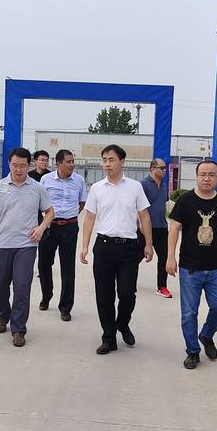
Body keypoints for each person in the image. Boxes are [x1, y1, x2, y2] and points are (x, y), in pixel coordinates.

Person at [0, 148, 53, 348]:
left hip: (26, 245)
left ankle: (19, 328)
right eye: (15, 165)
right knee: (1, 286)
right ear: (9, 164)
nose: (18, 169)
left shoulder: (37, 188)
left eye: (23, 166)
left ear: (29, 165)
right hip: (2, 244)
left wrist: (41, 228)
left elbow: (49, 211)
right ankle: (3, 316)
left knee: (22, 286)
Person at [80, 144, 153, 355]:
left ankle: (122, 322)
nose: (107, 164)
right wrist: (84, 246)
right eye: (104, 160)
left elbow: (144, 216)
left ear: (122, 162)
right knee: (104, 296)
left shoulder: (135, 187)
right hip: (104, 247)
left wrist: (148, 243)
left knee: (127, 293)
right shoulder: (97, 188)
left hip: (129, 248)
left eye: (111, 160)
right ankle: (109, 338)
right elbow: (89, 218)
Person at [166, 160, 217, 370]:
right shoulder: (185, 201)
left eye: (211, 175)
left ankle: (206, 335)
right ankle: (192, 351)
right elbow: (174, 228)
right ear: (197, 176)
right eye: (203, 174)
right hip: (190, 268)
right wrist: (170, 257)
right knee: (189, 313)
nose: (207, 178)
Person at [38, 149, 87, 320]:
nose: (72, 165)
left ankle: (66, 307)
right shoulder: (46, 180)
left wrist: (70, 215)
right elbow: (40, 202)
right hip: (49, 227)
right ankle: (46, 295)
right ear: (58, 163)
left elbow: (82, 202)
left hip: (70, 228)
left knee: (68, 268)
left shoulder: (79, 180)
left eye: (73, 161)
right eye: (68, 162)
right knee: (44, 264)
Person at [140, 158, 172, 298]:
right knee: (135, 257)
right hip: (146, 228)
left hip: (162, 228)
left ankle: (162, 286)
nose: (164, 170)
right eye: (162, 168)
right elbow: (137, 207)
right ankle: (125, 280)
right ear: (153, 169)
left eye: (165, 168)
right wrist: (140, 225)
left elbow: (163, 204)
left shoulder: (164, 186)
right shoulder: (143, 185)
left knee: (164, 257)